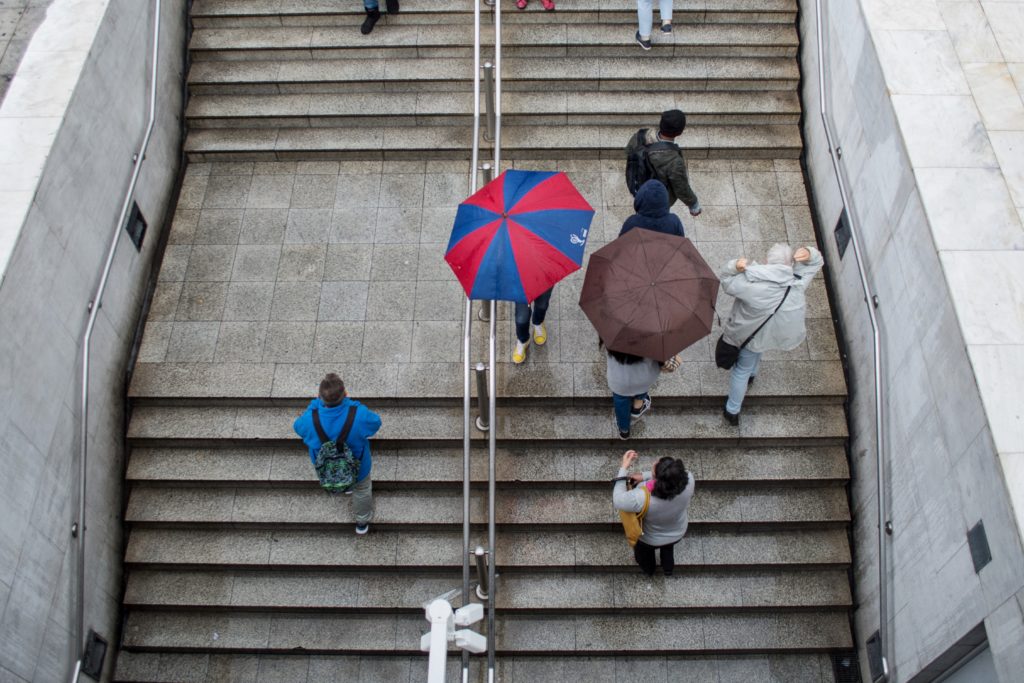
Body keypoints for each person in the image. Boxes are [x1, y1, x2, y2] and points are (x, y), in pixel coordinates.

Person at [719, 243, 824, 425]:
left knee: (741, 370)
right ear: (791, 263)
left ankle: (732, 409)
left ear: (767, 261)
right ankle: (753, 374)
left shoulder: (752, 283)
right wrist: (810, 253)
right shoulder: (797, 282)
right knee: (760, 349)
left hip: (749, 336)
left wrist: (735, 265)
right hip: (771, 332)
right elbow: (816, 263)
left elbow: (727, 281)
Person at [293, 373, 383, 534]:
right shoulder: (359, 415)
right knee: (362, 490)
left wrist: (313, 405)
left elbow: (297, 428)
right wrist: (351, 404)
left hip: (327, 466)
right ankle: (362, 522)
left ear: (319, 396)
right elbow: (376, 423)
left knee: (358, 487)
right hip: (358, 465)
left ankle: (344, 486)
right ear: (345, 394)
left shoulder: (309, 419)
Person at [613, 450, 695, 577]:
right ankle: (668, 568)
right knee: (668, 549)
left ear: (657, 479)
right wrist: (645, 476)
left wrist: (623, 468)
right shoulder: (689, 480)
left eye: (653, 472)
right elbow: (669, 479)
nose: (655, 462)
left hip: (649, 539)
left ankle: (649, 570)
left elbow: (618, 500)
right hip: (677, 531)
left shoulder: (641, 498)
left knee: (644, 557)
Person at [624, 110, 701, 217]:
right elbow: (681, 187)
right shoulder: (674, 161)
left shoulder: (641, 135)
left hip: (638, 184)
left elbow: (628, 150)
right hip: (658, 197)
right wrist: (693, 204)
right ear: (680, 132)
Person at [603, 339, 661, 440]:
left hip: (619, 381)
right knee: (641, 390)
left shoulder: (612, 335)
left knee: (620, 403)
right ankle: (637, 409)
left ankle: (624, 430)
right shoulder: (653, 336)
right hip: (643, 378)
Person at [619, 178, 685, 238]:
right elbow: (681, 244)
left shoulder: (632, 223)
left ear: (640, 199)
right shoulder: (674, 222)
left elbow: (620, 246)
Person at [512, 287, 553, 364]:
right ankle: (523, 340)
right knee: (522, 316)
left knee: (542, 304)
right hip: (521, 280)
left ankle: (538, 322)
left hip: (544, 276)